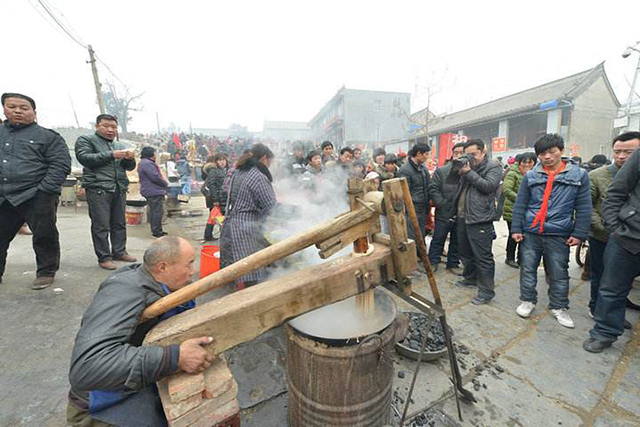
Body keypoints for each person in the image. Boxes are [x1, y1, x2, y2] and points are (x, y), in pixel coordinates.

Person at [67, 237, 214, 426]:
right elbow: (87, 368)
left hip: (135, 387)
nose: (192, 272)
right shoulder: (125, 292)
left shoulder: (160, 284)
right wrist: (175, 357)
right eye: (189, 264)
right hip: (100, 408)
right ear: (162, 267)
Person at [511, 134, 591, 328]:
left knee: (558, 272)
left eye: (551, 152)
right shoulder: (531, 175)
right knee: (528, 268)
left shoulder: (579, 175)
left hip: (559, 233)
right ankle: (528, 300)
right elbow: (521, 204)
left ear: (561, 151)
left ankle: (559, 306)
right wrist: (516, 228)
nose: (547, 157)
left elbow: (584, 206)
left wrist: (579, 233)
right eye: (542, 153)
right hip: (531, 232)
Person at [0, 93, 71, 289]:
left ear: (34, 112)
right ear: (4, 109)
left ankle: (46, 272)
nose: (17, 111)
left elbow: (60, 164)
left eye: (24, 108)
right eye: (11, 106)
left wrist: (45, 190)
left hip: (35, 195)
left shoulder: (48, 137)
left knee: (44, 234)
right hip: (4, 196)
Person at [584, 148, 640, 352]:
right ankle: (605, 332)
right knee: (611, 288)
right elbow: (616, 192)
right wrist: (616, 227)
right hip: (629, 235)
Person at [75, 114, 137, 270]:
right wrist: (111, 155)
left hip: (119, 187)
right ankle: (104, 257)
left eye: (114, 127)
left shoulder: (119, 145)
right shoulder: (86, 140)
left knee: (119, 223)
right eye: (106, 126)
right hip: (98, 188)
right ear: (97, 126)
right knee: (101, 225)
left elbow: (129, 167)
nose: (110, 130)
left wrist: (129, 158)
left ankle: (119, 251)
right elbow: (85, 158)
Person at [220, 144, 277, 289]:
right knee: (250, 273)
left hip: (230, 225)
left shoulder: (238, 172)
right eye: (270, 161)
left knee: (236, 272)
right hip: (245, 231)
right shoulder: (257, 176)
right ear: (264, 158)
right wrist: (297, 211)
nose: (270, 166)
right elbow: (271, 205)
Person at [453, 139, 502, 305]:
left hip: (480, 219)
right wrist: (459, 173)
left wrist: (469, 173)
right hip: (462, 217)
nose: (471, 158)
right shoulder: (467, 167)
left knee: (483, 257)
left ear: (483, 152)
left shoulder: (493, 167)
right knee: (465, 253)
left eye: (474, 154)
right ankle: (470, 278)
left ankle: (486, 292)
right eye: (468, 154)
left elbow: (488, 186)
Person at [428, 142, 465, 274]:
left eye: (462, 153)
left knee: (456, 239)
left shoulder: (468, 172)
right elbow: (433, 188)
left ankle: (453, 263)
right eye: (456, 153)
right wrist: (441, 203)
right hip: (444, 210)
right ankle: (433, 261)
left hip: (461, 212)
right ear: (452, 154)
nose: (459, 156)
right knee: (439, 237)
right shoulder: (442, 171)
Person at [502, 152, 537, 268]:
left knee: (525, 236)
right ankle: (509, 257)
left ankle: (521, 258)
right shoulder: (513, 173)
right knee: (514, 235)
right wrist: (522, 200)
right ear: (520, 162)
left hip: (529, 211)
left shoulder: (535, 174)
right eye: (524, 162)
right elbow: (507, 190)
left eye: (530, 162)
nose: (527, 164)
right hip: (512, 210)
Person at [397, 143, 431, 245]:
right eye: (426, 154)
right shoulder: (405, 170)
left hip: (423, 207)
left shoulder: (423, 168)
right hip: (411, 209)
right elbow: (403, 193)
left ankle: (421, 255)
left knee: (421, 233)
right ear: (418, 154)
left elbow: (427, 187)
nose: (427, 157)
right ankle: (413, 258)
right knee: (412, 235)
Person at [138, 146, 168, 238]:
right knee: (157, 212)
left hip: (150, 190)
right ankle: (156, 231)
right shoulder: (148, 164)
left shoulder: (144, 163)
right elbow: (155, 177)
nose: (156, 155)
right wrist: (165, 183)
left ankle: (157, 229)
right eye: (155, 153)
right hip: (153, 191)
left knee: (154, 211)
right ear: (151, 154)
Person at [203, 153, 229, 241]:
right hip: (217, 199)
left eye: (223, 160)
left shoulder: (226, 170)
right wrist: (215, 199)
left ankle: (208, 235)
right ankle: (223, 236)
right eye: (219, 160)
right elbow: (212, 185)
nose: (222, 162)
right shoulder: (213, 171)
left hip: (223, 198)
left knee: (214, 217)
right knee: (219, 217)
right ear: (216, 162)